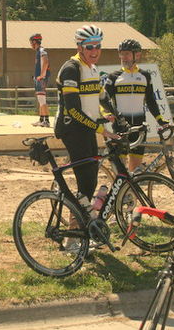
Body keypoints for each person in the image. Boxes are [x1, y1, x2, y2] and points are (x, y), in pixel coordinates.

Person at [55, 25, 119, 250]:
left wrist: (114, 116)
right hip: (73, 129)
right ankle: (72, 239)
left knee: (90, 183)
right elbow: (72, 109)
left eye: (98, 46)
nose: (95, 51)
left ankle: (82, 231)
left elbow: (102, 97)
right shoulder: (71, 68)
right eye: (89, 47)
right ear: (79, 47)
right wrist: (102, 129)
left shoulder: (91, 68)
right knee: (85, 182)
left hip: (87, 129)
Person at [102, 39, 168, 172]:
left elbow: (151, 100)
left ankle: (131, 193)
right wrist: (105, 114)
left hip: (139, 126)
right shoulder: (114, 77)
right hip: (121, 126)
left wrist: (160, 120)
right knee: (119, 168)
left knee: (135, 169)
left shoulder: (145, 76)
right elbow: (103, 100)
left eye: (127, 54)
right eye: (121, 54)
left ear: (137, 55)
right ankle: (120, 192)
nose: (123, 57)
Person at [29, 33, 51, 127]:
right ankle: (41, 119)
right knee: (40, 100)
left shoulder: (42, 50)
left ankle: (46, 120)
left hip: (41, 78)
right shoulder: (38, 51)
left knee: (42, 100)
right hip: (38, 77)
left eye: (31, 42)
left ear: (34, 42)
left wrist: (42, 75)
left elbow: (46, 62)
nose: (31, 44)